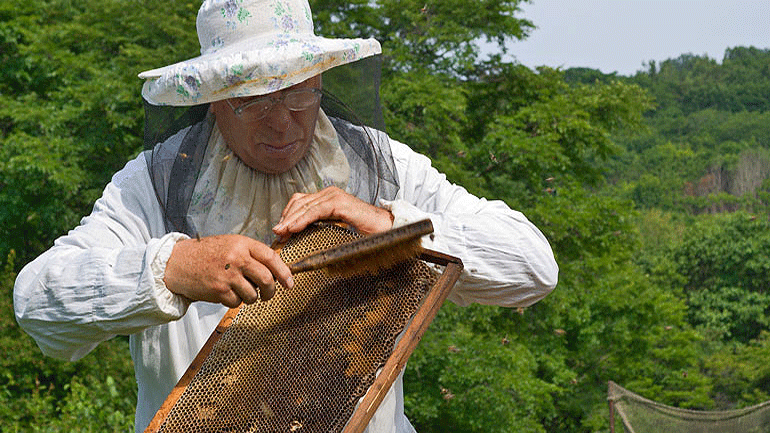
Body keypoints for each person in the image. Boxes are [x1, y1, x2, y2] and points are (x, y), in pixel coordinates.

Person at [13, 0, 559, 432]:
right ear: (214, 98)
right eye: (253, 99)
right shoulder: (152, 184)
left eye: (299, 94)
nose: (282, 123)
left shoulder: (384, 165)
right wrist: (171, 268)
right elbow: (37, 302)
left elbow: (534, 267)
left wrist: (394, 227)